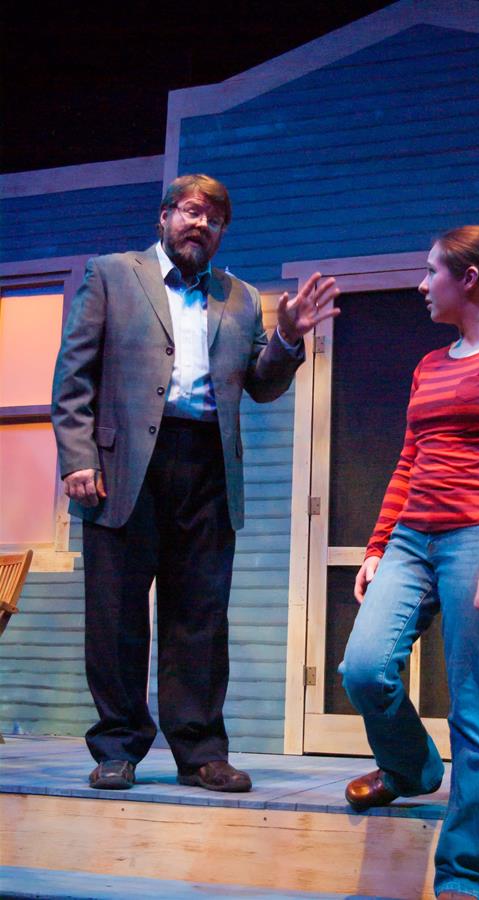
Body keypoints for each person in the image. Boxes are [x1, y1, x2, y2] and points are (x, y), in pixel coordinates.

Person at [52, 173, 340, 793]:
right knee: (117, 612)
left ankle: (201, 750)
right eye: (189, 211)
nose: (200, 223)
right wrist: (78, 458)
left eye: (213, 217)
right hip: (122, 466)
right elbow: (74, 376)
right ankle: (118, 746)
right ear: (163, 218)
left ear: (222, 231)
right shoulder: (113, 275)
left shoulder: (241, 297)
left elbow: (262, 384)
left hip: (207, 464)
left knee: (200, 617)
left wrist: (289, 336)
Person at [339, 225, 479, 900]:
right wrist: (378, 544)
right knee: (363, 667)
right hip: (412, 537)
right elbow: (408, 461)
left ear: (468, 278)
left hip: (478, 537)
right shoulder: (430, 365)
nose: (420, 283)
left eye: (430, 270)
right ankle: (409, 767)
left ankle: (461, 874)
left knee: (473, 707)